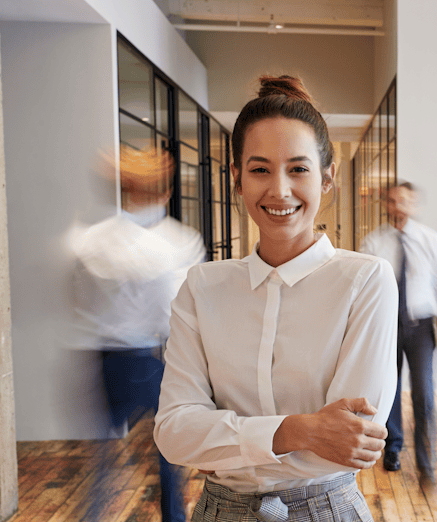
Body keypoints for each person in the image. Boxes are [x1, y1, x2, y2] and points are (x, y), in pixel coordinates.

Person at [154, 76, 398, 522]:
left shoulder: (365, 280)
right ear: (237, 179)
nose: (279, 190)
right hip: (217, 512)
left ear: (327, 178)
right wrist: (300, 430)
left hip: (326, 509)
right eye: (260, 169)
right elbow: (173, 433)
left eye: (298, 169)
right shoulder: (202, 286)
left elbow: (353, 442)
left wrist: (224, 445)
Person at [70, 147, 205, 522]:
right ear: (166, 193)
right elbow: (178, 312)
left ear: (126, 191)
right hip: (152, 357)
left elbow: (79, 304)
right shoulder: (179, 243)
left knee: (100, 463)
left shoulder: (91, 240)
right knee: (167, 458)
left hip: (101, 360)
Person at [360, 181, 437, 485]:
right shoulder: (374, 243)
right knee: (390, 389)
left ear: (414, 206)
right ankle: (393, 449)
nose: (398, 206)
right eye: (393, 201)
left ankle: (427, 462)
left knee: (424, 393)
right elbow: (364, 287)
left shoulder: (430, 240)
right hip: (387, 325)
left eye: (404, 201)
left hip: (422, 324)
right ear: (386, 205)